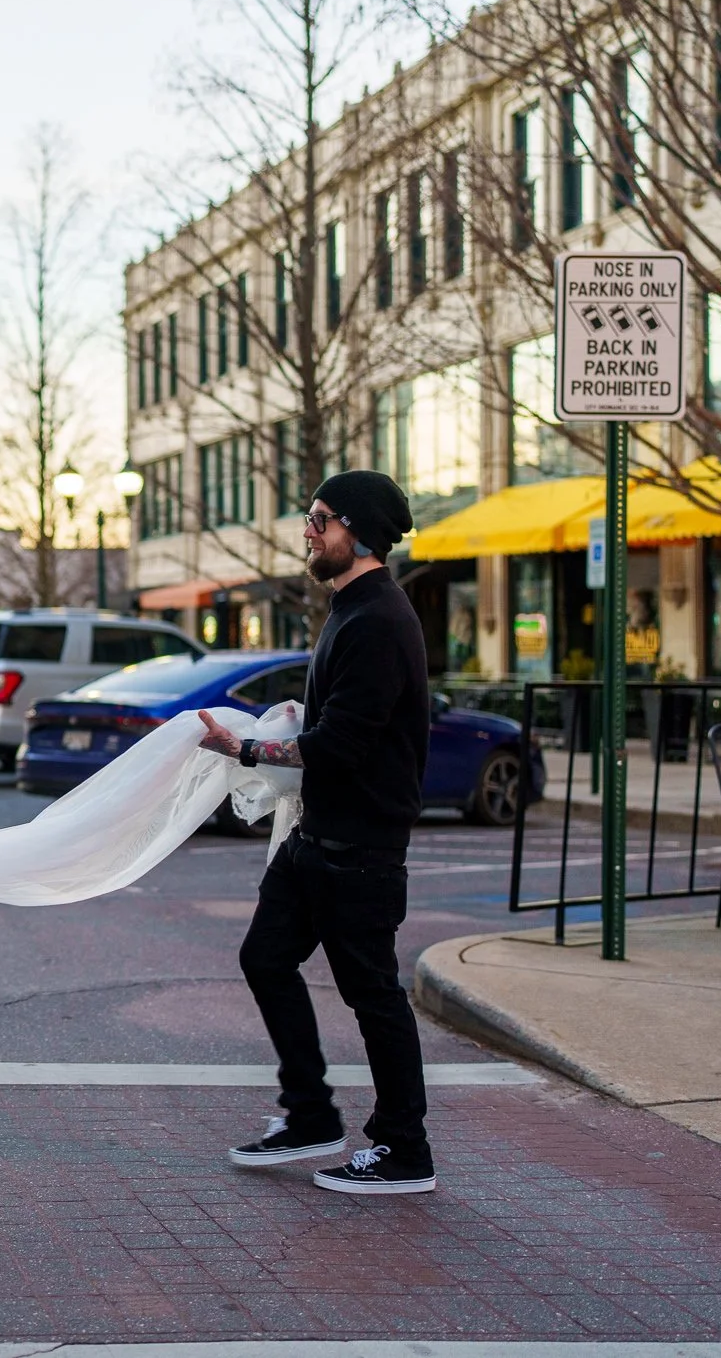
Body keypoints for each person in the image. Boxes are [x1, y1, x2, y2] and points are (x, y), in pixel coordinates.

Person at [195, 469, 436, 1196]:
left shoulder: (379, 621)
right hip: (316, 839)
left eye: (320, 518)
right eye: (310, 516)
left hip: (361, 849)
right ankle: (310, 1113)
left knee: (374, 998)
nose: (309, 528)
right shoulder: (349, 611)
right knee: (265, 958)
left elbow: (340, 746)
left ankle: (405, 1149)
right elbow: (334, 727)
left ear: (357, 532)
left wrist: (244, 749)